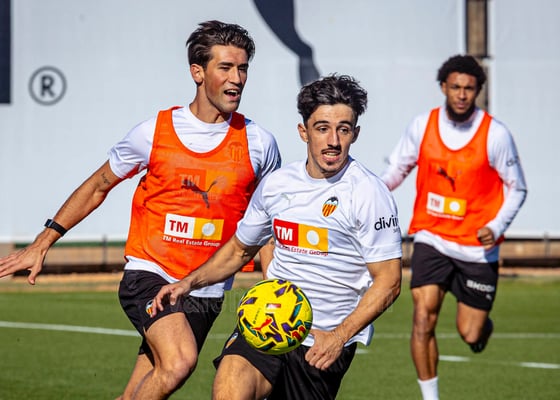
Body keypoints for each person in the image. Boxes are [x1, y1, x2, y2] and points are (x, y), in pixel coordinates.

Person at [0, 20, 281, 400]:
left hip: (207, 289)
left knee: (142, 388)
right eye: (225, 67)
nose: (237, 78)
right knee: (179, 361)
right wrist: (43, 242)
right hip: (150, 273)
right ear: (197, 72)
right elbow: (98, 185)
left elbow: (265, 224)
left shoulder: (260, 143)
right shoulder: (153, 133)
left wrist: (273, 286)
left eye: (243, 68)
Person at [152, 74, 403, 400]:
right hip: (266, 321)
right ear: (303, 131)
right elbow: (239, 250)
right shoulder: (277, 185)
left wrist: (339, 337)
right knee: (230, 389)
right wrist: (188, 283)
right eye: (322, 128)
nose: (333, 141)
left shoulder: (369, 193)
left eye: (343, 129)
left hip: (323, 343)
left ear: (355, 134)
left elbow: (389, 281)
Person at [380, 54, 527, 400]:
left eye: (469, 89)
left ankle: (482, 328)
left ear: (478, 91)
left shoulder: (496, 134)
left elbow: (517, 187)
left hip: (477, 247)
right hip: (431, 236)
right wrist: (368, 195)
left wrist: (496, 226)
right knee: (422, 317)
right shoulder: (422, 126)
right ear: (443, 87)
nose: (462, 94)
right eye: (456, 87)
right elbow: (396, 171)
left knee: (470, 333)